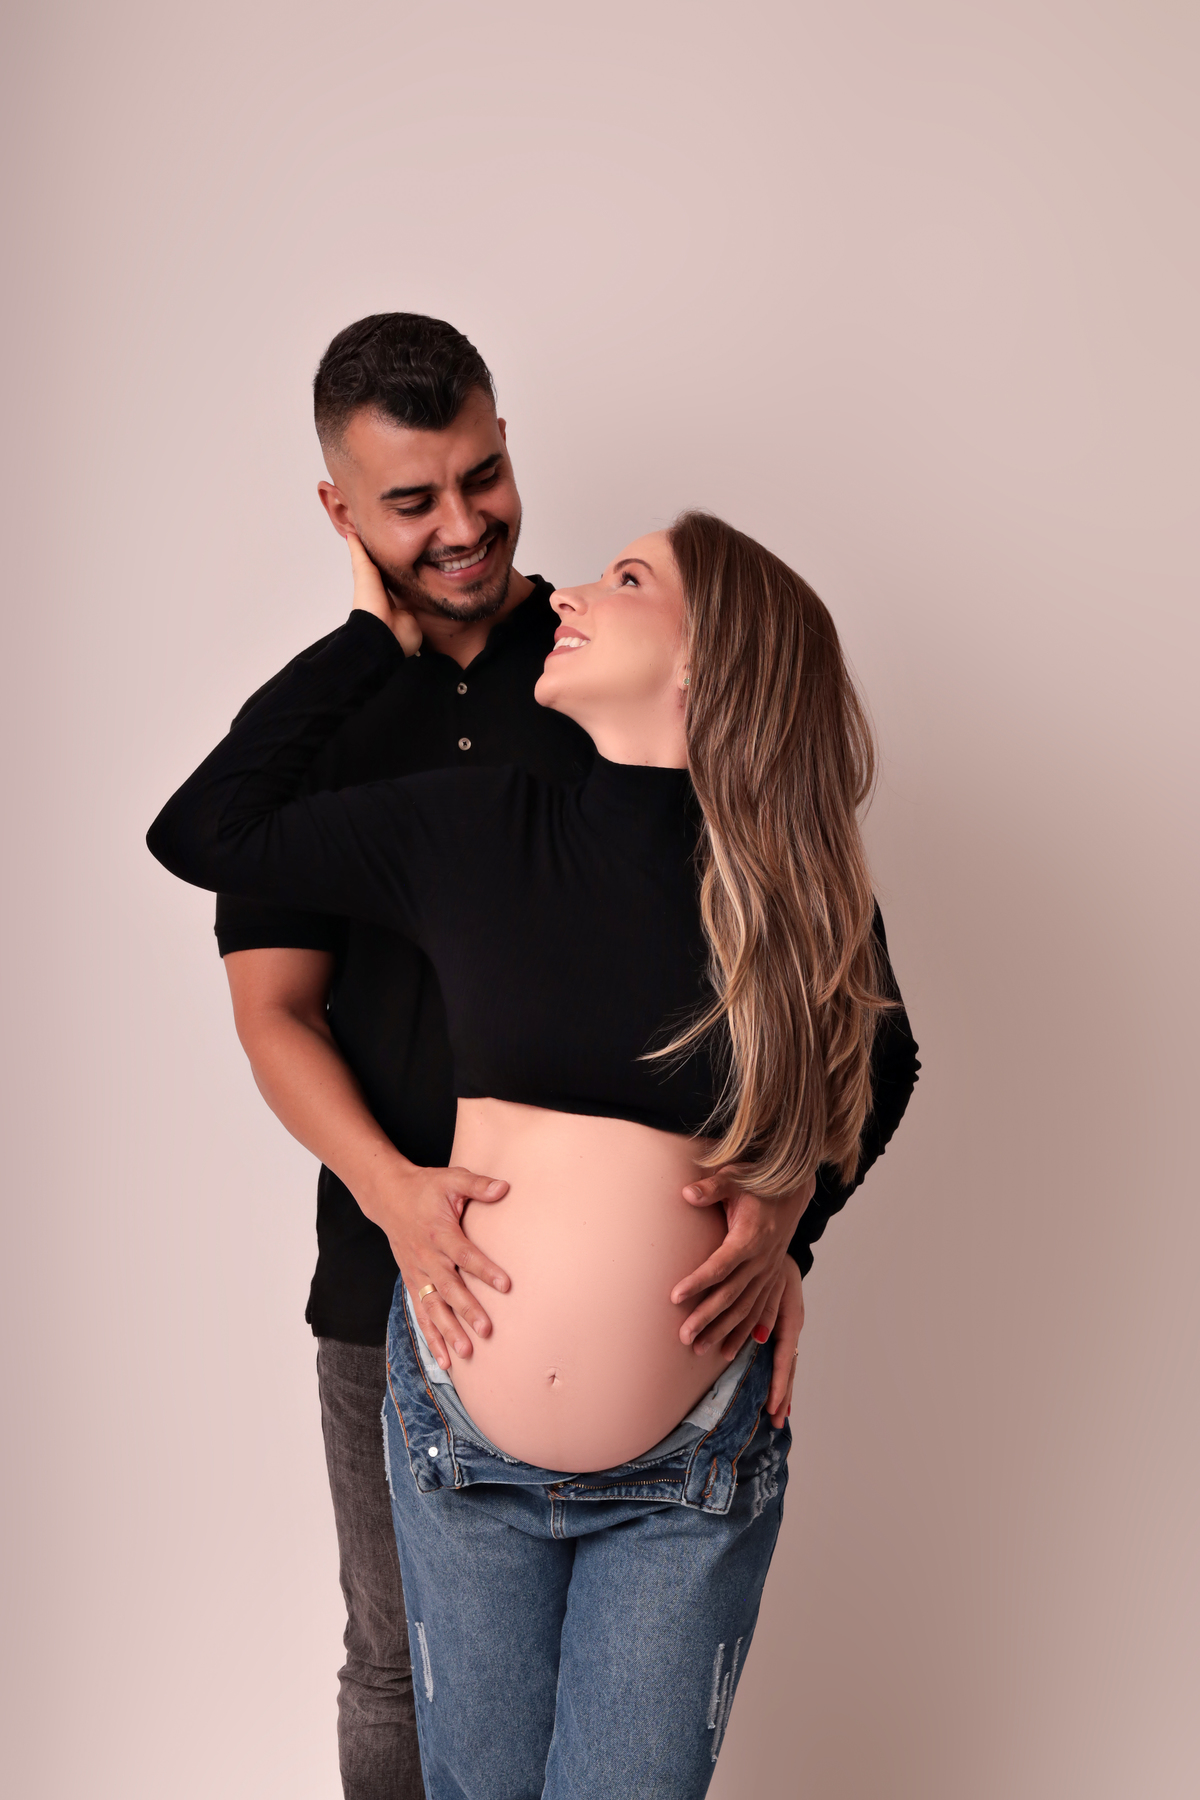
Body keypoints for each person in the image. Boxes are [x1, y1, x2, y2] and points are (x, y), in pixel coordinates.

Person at [148, 504, 919, 1796]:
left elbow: (884, 1067)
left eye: (628, 580)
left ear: (711, 656)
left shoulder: (789, 885)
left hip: (690, 1464)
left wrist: (796, 1224)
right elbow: (203, 830)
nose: (570, 594)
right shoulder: (481, 827)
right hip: (462, 1443)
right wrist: (364, 641)